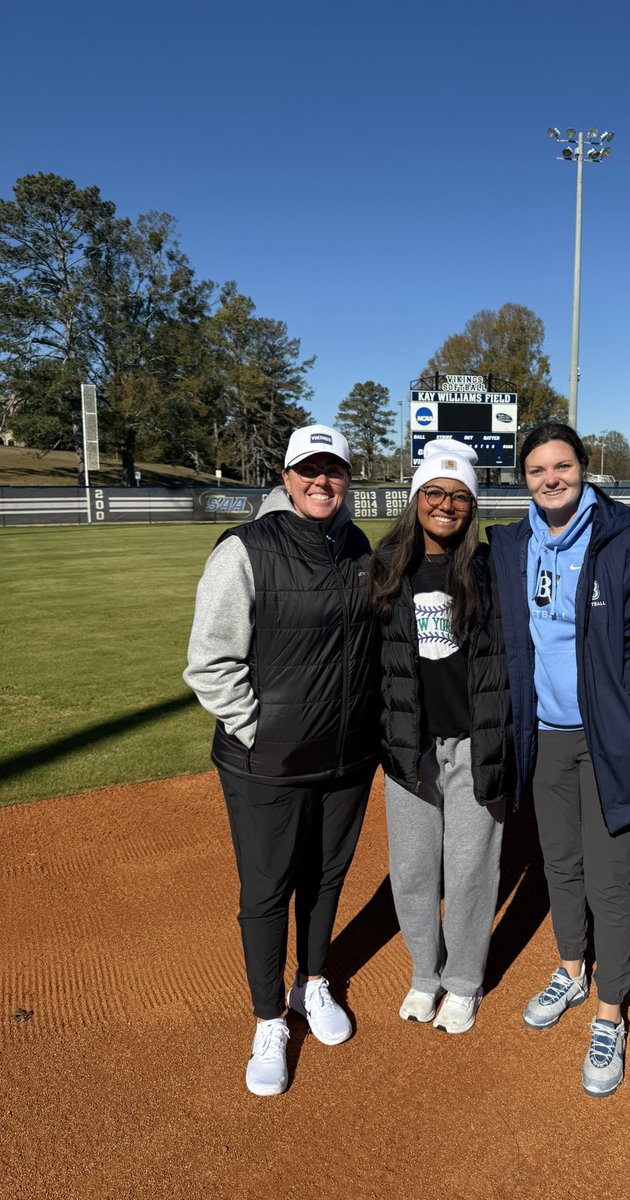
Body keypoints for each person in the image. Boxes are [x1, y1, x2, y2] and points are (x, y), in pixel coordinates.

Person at [489, 422, 630, 1096]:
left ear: (583, 468)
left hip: (608, 738)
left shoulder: (629, 545)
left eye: (562, 466)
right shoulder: (511, 546)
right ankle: (572, 969)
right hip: (544, 736)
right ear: (524, 479)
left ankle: (610, 1011)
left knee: (609, 878)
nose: (550, 479)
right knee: (560, 863)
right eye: (536, 470)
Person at [184, 424, 380, 1097]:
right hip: (266, 762)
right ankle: (269, 1018)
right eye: (309, 469)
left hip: (346, 758)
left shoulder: (358, 548)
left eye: (334, 470)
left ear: (347, 478)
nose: (322, 481)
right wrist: (259, 732)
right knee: (267, 890)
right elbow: (210, 663)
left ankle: (311, 982)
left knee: (326, 878)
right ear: (287, 476)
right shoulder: (244, 549)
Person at [370, 439, 515, 1034]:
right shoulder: (384, 567)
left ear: (472, 507)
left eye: (460, 496)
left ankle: (462, 982)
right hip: (411, 745)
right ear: (416, 498)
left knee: (470, 870)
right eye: (434, 491)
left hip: (476, 742)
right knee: (411, 869)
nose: (446, 504)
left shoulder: (491, 567)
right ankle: (424, 974)